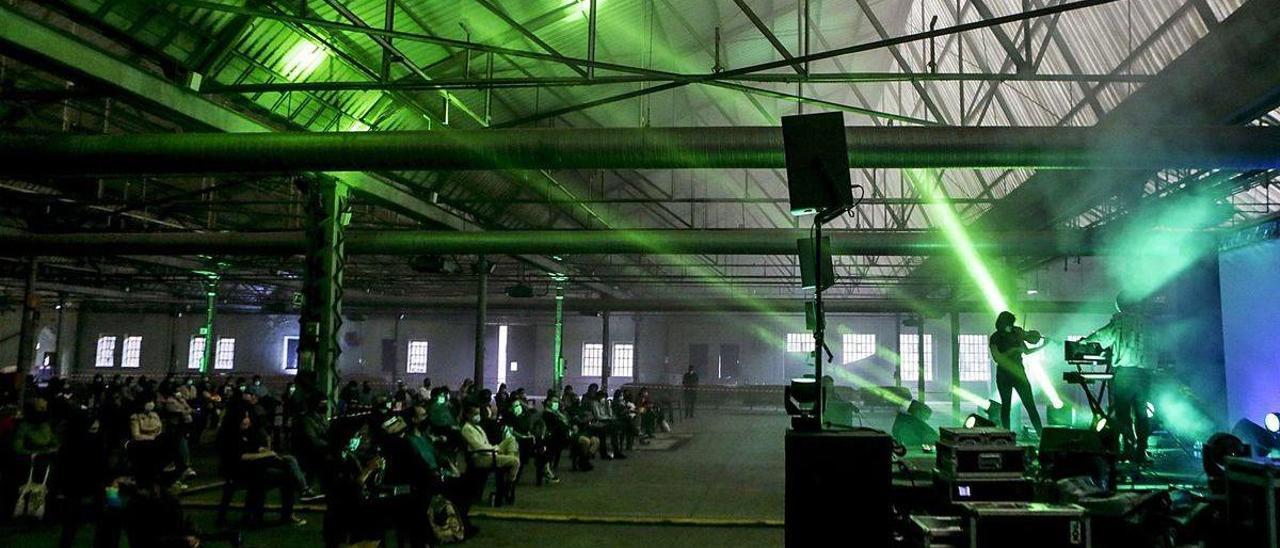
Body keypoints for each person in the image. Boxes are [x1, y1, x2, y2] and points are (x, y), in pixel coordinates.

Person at [1084, 292, 1155, 462]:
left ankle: (1128, 449)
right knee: (1141, 413)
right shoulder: (1149, 323)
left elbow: (1099, 338)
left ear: (1120, 305)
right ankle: (1142, 451)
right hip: (1145, 374)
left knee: (1123, 414)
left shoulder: (1120, 321)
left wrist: (1084, 341)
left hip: (1125, 374)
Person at [989, 311, 1045, 436]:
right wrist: (1014, 350)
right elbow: (997, 358)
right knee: (1006, 406)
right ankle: (1006, 434)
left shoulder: (1017, 333)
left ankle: (1041, 434)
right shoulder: (995, 337)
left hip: (1018, 373)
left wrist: (1042, 345)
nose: (1012, 327)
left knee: (1030, 405)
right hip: (1004, 375)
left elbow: (1027, 351)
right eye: (1009, 324)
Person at [459, 404, 519, 505]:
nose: (478, 416)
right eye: (475, 414)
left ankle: (509, 461)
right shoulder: (467, 429)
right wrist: (494, 449)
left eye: (478, 413)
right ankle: (509, 483)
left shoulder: (477, 427)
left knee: (511, 440)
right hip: (481, 457)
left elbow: (485, 444)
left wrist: (494, 448)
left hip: (489, 452)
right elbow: (478, 447)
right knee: (515, 461)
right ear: (468, 415)